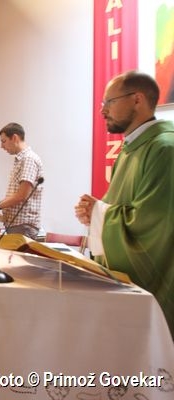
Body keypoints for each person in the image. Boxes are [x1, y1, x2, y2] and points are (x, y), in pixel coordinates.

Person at [75, 70, 174, 339]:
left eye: (109, 102)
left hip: (157, 285)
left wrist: (99, 213)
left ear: (137, 100)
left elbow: (154, 225)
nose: (102, 111)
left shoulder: (165, 149)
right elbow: (118, 206)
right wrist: (94, 211)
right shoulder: (131, 149)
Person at [0, 122, 44, 239]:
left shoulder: (28, 159)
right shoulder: (21, 159)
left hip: (23, 224)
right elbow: (16, 194)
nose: (1, 146)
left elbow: (21, 195)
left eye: (3, 141)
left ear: (14, 138)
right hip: (18, 224)